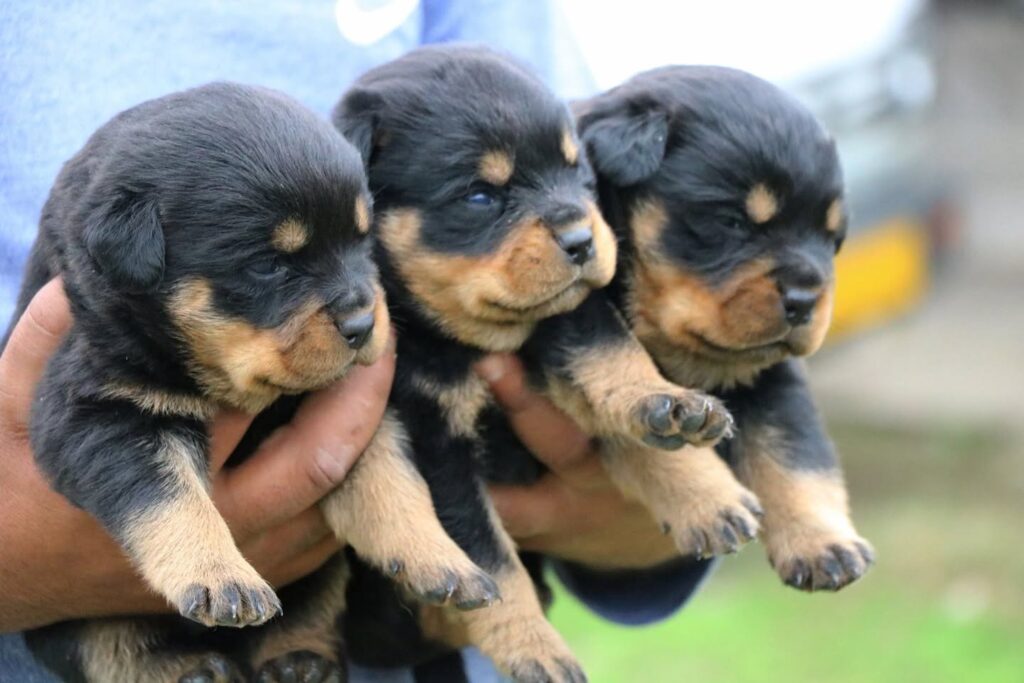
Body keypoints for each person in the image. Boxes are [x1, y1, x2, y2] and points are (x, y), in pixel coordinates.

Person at [0, 2, 714, 680]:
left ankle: (299, 640)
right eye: (269, 268)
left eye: (360, 244)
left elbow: (364, 455)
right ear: (130, 264)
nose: (359, 307)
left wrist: (636, 514)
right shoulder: (121, 315)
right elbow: (111, 436)